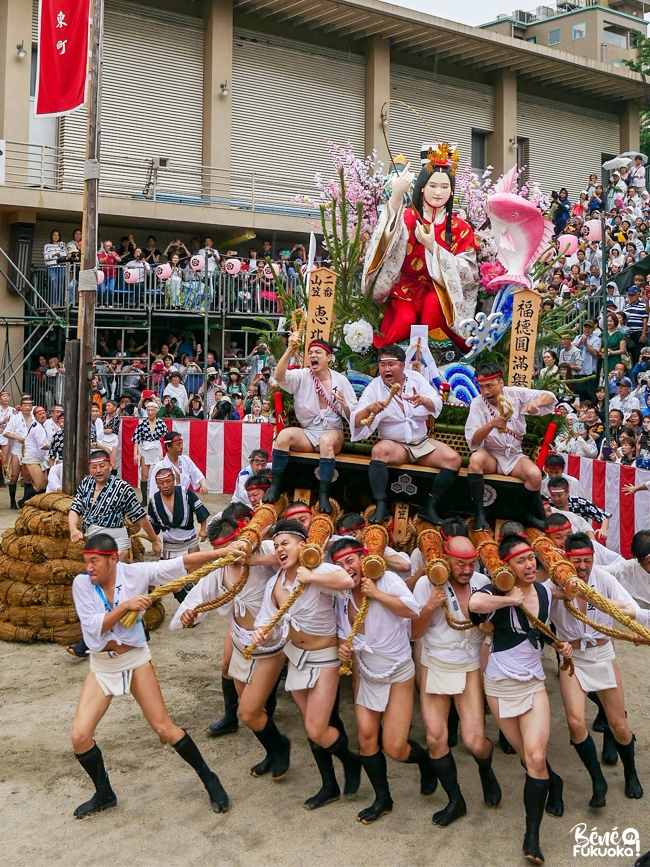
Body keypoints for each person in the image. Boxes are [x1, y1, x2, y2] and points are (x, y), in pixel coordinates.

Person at [70, 533, 230, 818]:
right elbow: (94, 627)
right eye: (86, 561)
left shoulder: (135, 574)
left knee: (164, 728)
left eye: (94, 561)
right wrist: (125, 607)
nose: (89, 567)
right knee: (80, 737)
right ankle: (104, 793)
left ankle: (209, 778)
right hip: (102, 665)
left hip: (134, 659)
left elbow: (180, 564)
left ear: (113, 559)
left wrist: (221, 553)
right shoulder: (82, 584)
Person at [469, 534, 572, 865]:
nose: (529, 565)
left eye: (531, 558)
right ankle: (552, 781)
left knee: (534, 755)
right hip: (499, 684)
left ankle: (532, 838)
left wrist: (559, 644)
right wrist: (509, 599)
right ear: (506, 566)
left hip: (533, 685)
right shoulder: (496, 588)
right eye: (521, 561)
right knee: (527, 759)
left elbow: (541, 628)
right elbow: (475, 606)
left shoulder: (542, 591)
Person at [251, 520, 362, 809]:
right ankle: (329, 785)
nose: (279, 549)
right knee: (310, 725)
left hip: (325, 657)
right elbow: (267, 620)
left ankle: (351, 761)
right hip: (295, 657)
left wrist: (310, 577)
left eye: (284, 543)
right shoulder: (274, 582)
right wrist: (260, 633)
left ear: (302, 545)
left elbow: (347, 581)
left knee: (316, 728)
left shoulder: (318, 569)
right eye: (276, 546)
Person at [171, 516, 288, 776]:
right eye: (223, 551)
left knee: (252, 709)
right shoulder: (220, 568)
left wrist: (252, 558)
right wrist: (190, 616)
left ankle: (280, 748)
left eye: (232, 547)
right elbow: (198, 599)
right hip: (239, 639)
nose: (230, 556)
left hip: (269, 643)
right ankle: (272, 749)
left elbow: (293, 559)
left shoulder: (266, 549)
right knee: (248, 704)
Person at [332, 537, 436, 824]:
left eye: (350, 560)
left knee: (395, 747)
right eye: (339, 565)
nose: (346, 568)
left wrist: (376, 594)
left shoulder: (387, 578)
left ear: (363, 558)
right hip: (366, 669)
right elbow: (345, 635)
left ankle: (425, 762)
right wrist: (344, 650)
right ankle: (383, 799)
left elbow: (413, 611)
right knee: (366, 738)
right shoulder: (342, 595)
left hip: (398, 670)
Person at [411, 533, 501, 826]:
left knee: (475, 742)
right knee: (435, 738)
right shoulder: (428, 583)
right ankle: (455, 800)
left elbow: (495, 627)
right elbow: (415, 632)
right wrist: (429, 606)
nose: (466, 570)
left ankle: (485, 768)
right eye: (460, 564)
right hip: (436, 661)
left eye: (471, 564)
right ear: (446, 560)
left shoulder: (482, 584)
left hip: (468, 664)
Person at [549, 533, 643, 804]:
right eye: (576, 561)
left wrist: (636, 630)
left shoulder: (603, 579)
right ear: (565, 558)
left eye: (587, 560)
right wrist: (558, 592)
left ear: (593, 559)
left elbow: (629, 608)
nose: (582, 567)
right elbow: (535, 610)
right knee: (575, 723)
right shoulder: (552, 582)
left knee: (619, 725)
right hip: (572, 658)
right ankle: (597, 780)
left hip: (602, 653)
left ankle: (631, 772)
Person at [363, 143, 478, 349]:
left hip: (440, 294)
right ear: (422, 186)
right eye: (433, 185)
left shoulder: (460, 228)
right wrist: (396, 196)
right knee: (403, 321)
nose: (438, 192)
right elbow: (384, 242)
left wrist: (433, 247)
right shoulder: (407, 218)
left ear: (452, 192)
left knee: (432, 309)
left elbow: (468, 274)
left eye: (445, 187)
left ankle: (436, 360)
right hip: (406, 291)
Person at [349, 345, 461, 525]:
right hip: (395, 445)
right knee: (378, 451)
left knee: (453, 459)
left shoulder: (416, 379)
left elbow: (436, 403)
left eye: (391, 364)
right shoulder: (375, 386)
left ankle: (430, 506)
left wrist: (423, 400)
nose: (386, 369)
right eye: (382, 365)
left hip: (420, 442)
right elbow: (356, 420)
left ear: (402, 366)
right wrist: (370, 409)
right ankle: (381, 505)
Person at [263, 337, 357, 514]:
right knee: (283, 436)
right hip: (308, 432)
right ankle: (275, 487)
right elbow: (279, 376)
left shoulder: (340, 380)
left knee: (326, 442)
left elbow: (353, 413)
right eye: (310, 353)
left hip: (332, 432)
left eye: (318, 352)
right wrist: (290, 349)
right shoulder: (303, 376)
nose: (313, 355)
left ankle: (324, 496)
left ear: (329, 357)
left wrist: (344, 404)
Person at [465, 363, 556, 530]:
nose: (486, 391)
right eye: (482, 387)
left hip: (514, 454)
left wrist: (536, 402)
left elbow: (549, 396)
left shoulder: (515, 394)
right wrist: (491, 424)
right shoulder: (477, 403)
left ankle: (525, 514)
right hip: (491, 455)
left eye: (490, 385)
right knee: (476, 460)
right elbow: (473, 439)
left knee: (535, 475)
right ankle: (479, 514)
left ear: (501, 383)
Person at [69, 451, 161, 562]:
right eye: (94, 467)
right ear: (89, 469)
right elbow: (75, 509)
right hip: (93, 541)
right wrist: (73, 529)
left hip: (117, 544)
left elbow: (140, 516)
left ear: (111, 465)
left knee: (115, 576)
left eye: (102, 466)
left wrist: (154, 540)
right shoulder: (85, 483)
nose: (98, 470)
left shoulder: (123, 487)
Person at [147, 467, 209, 559]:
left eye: (168, 481)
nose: (165, 485)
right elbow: (151, 524)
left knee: (193, 571)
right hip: (169, 545)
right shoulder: (154, 501)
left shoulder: (185, 492)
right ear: (157, 485)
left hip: (189, 541)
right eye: (161, 483)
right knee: (169, 572)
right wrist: (154, 541)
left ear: (174, 480)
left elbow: (199, 509)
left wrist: (203, 529)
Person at [148, 430, 208, 500]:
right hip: (167, 501)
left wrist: (204, 485)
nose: (181, 447)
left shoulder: (186, 460)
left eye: (181, 443)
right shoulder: (160, 466)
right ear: (168, 447)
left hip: (185, 499)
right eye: (178, 444)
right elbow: (154, 492)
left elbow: (198, 475)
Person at [546, 476, 610, 541]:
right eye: (553, 495)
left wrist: (603, 529)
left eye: (559, 495)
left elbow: (603, 516)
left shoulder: (580, 503)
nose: (556, 499)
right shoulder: (547, 504)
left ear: (567, 492)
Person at [131, 402, 168, 504]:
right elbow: (136, 439)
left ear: (156, 411)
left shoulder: (161, 423)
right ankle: (144, 499)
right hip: (145, 449)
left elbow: (167, 439)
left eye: (152, 410)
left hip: (157, 448)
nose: (150, 412)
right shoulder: (142, 423)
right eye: (148, 410)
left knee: (160, 474)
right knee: (144, 475)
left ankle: (159, 498)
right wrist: (135, 454)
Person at [4, 395, 35, 510]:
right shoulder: (15, 418)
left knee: (27, 477)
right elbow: (6, 433)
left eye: (29, 405)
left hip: (30, 449)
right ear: (21, 407)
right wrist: (17, 437)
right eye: (25, 405)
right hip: (18, 448)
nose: (27, 407)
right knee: (14, 476)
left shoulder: (34, 418)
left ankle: (25, 500)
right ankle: (12, 501)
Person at [18, 405, 49, 506]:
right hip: (32, 458)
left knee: (44, 483)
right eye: (40, 414)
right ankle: (23, 502)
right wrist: (55, 446)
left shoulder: (40, 425)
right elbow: (43, 445)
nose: (43, 415)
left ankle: (37, 504)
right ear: (35, 416)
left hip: (40, 458)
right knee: (39, 485)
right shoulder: (38, 428)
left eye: (43, 413)